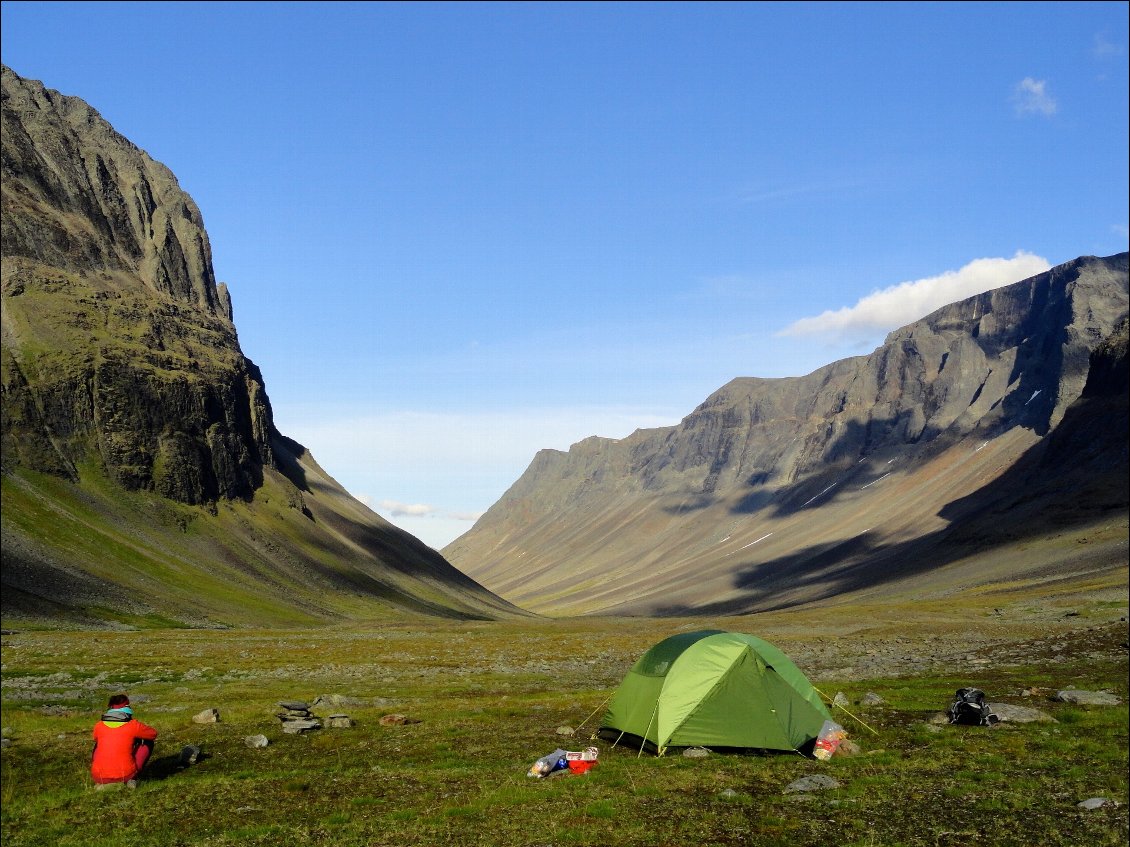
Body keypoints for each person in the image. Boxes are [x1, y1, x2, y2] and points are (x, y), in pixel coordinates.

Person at [91, 694, 158, 788]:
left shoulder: (99, 726)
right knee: (148, 742)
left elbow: (95, 738)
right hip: (126, 775)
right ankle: (132, 778)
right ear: (127, 708)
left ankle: (102, 776)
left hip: (99, 776)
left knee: (98, 744)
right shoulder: (133, 725)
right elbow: (153, 734)